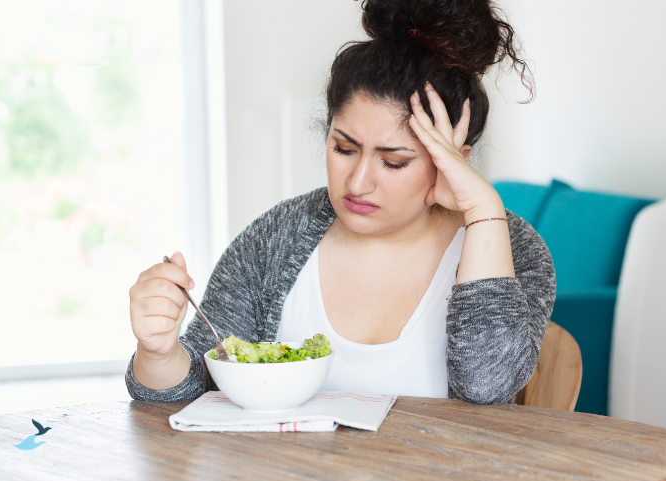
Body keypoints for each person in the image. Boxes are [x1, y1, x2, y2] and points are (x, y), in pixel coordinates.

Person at [125, 0, 555, 404]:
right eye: (345, 149)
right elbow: (190, 393)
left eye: (394, 161)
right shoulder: (278, 238)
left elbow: (487, 387)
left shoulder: (513, 250)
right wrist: (158, 354)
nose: (358, 182)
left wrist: (482, 211)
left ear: (452, 163)